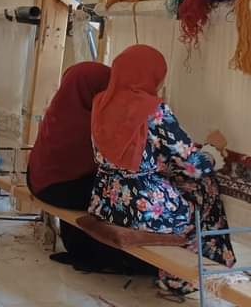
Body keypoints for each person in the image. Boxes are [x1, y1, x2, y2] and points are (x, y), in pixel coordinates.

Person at [89, 44, 235, 295]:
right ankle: (188, 277)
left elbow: (130, 154)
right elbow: (191, 165)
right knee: (206, 190)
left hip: (105, 202)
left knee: (186, 186)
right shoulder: (153, 110)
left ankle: (189, 272)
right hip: (143, 210)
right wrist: (213, 150)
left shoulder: (101, 102)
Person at [28, 62, 148, 273]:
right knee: (122, 196)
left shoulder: (60, 109)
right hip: (57, 189)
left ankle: (80, 249)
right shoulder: (89, 122)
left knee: (98, 186)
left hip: (38, 181)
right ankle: (110, 256)